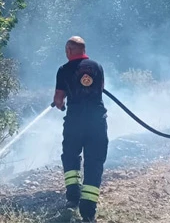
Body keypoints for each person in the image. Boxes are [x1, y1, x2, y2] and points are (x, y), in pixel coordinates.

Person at [53, 36, 108, 223]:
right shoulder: (97, 67)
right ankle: (88, 211)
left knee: (70, 156)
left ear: (69, 50)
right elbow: (100, 88)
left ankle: (73, 196)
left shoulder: (63, 70)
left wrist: (59, 104)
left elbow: (59, 99)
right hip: (97, 122)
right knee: (94, 162)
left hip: (75, 122)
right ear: (83, 50)